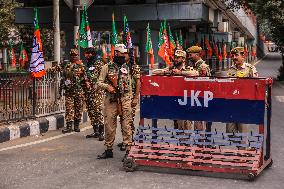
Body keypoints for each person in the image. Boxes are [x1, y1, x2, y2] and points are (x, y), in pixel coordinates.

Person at [97, 44, 137, 160]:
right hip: (111, 99)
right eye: (122, 53)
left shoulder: (127, 67)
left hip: (124, 99)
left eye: (125, 53)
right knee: (109, 125)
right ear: (117, 53)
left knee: (126, 125)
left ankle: (128, 151)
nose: (124, 55)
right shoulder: (106, 67)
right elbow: (98, 83)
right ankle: (109, 149)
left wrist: (131, 98)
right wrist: (107, 87)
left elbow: (129, 85)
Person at [226, 47, 258, 135]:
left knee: (243, 131)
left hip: (245, 104)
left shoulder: (250, 69)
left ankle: (245, 147)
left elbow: (258, 84)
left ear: (243, 56)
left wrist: (263, 98)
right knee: (230, 132)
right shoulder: (231, 69)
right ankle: (242, 146)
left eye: (236, 55)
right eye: (233, 55)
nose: (234, 57)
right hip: (232, 104)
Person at [60, 49, 85, 133]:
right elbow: (56, 68)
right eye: (72, 55)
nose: (74, 57)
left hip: (79, 91)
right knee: (69, 108)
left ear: (78, 56)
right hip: (69, 91)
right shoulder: (66, 64)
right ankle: (69, 126)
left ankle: (76, 125)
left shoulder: (81, 65)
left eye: (76, 55)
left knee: (78, 109)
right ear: (70, 56)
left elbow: (87, 76)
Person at [83, 47, 105, 141]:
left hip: (97, 91)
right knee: (91, 111)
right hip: (89, 91)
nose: (86, 55)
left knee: (98, 110)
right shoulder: (88, 63)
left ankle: (102, 132)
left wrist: (97, 85)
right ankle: (95, 131)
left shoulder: (99, 63)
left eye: (87, 53)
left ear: (91, 54)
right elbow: (86, 75)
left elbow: (103, 76)